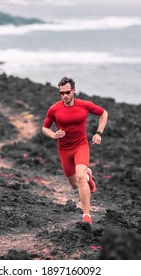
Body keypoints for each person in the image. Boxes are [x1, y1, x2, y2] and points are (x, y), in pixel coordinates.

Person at [42, 77, 108, 224]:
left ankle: (86, 215)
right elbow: (45, 127)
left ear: (73, 91)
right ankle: (88, 178)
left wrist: (99, 133)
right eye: (61, 93)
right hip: (64, 149)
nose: (64, 96)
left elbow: (104, 113)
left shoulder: (84, 105)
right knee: (74, 184)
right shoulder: (54, 109)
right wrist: (53, 134)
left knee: (80, 176)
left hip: (81, 146)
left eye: (67, 92)